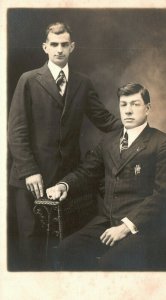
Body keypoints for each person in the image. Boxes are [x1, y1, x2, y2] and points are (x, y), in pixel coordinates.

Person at [8, 22, 121, 270]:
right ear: (45, 47)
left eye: (64, 45)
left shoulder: (82, 82)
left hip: (67, 181)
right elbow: (16, 130)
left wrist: (137, 131)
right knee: (31, 246)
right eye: (54, 45)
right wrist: (29, 170)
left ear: (72, 47)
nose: (59, 50)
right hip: (31, 179)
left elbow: (104, 119)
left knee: (66, 246)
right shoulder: (28, 80)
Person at [46, 82, 166, 271]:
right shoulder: (109, 140)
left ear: (147, 108)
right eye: (124, 105)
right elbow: (86, 172)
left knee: (110, 264)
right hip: (107, 222)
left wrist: (125, 227)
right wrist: (64, 185)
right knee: (65, 250)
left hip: (144, 227)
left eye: (135, 104)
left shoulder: (163, 143)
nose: (128, 111)